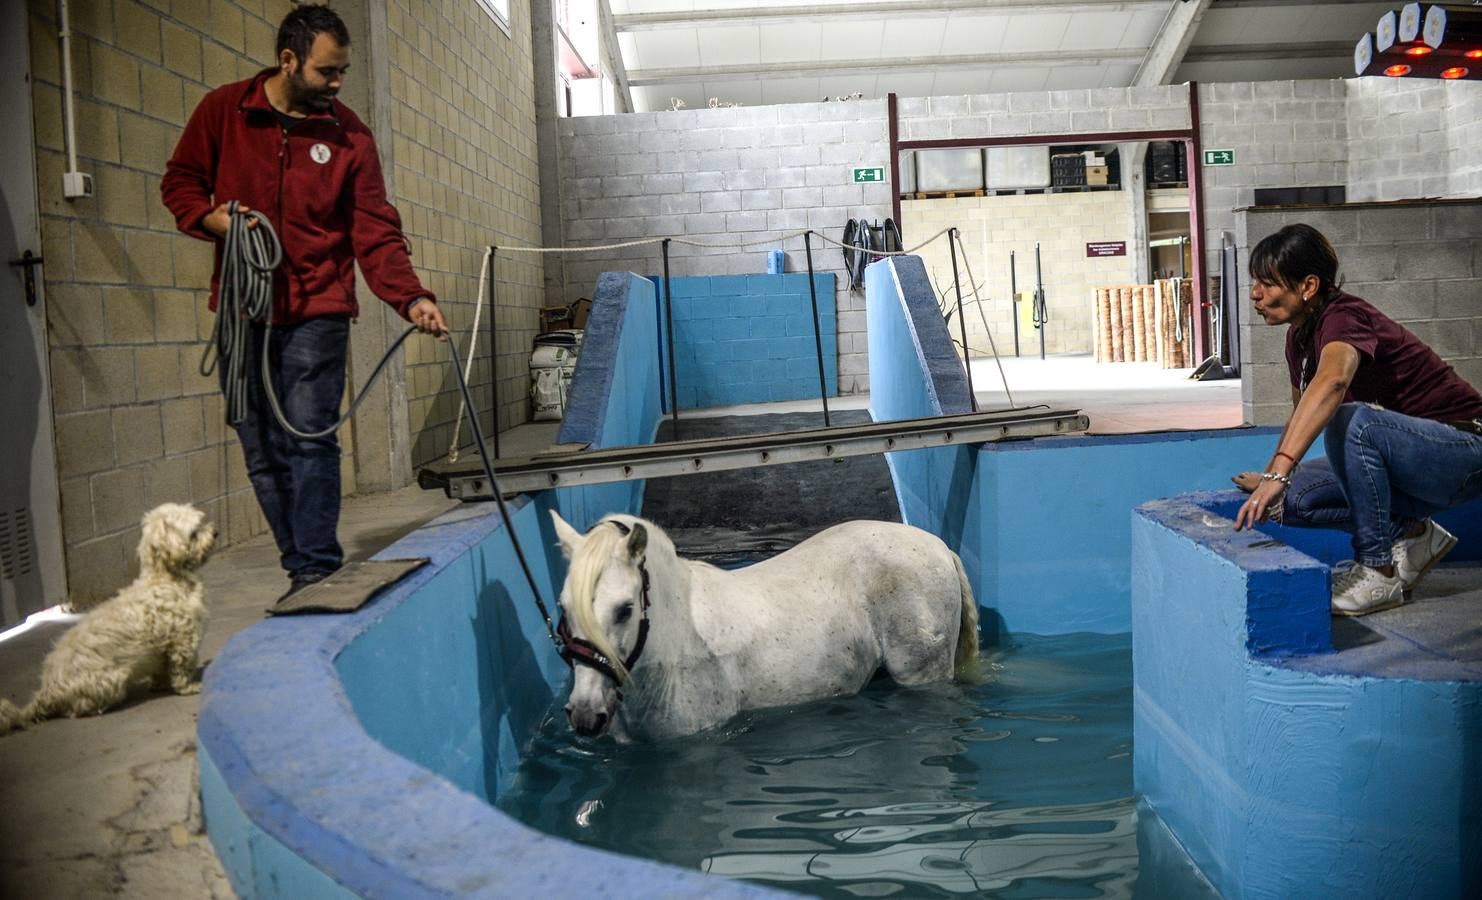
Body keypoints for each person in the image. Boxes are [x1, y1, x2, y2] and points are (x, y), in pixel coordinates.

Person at [161, 5, 449, 600]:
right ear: (288, 60)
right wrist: (213, 219)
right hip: (243, 309)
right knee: (258, 440)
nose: (337, 83)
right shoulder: (225, 111)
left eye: (342, 71)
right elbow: (180, 182)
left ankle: (316, 568)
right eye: (327, 72)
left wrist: (410, 296)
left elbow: (374, 227)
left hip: (319, 306)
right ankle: (300, 565)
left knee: (310, 437)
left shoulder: (349, 135)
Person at [1232, 223, 1482, 616]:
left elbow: (1332, 383)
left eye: (1267, 283)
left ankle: (1378, 572)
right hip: (1416, 461)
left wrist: (1279, 472)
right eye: (1254, 283)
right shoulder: (1299, 337)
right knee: (1294, 501)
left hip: (1462, 451)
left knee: (1353, 423)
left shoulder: (1344, 316)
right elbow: (1302, 412)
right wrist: (1272, 481)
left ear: (1308, 286)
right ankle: (1414, 534)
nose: (1255, 294)